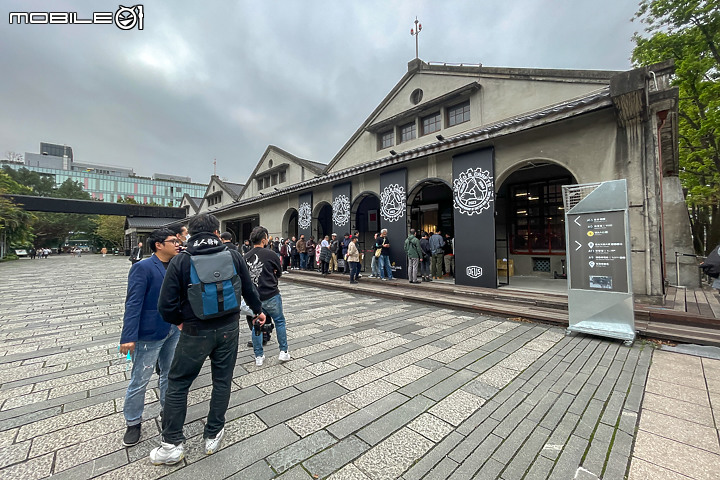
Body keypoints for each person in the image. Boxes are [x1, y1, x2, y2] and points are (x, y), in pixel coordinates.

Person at [151, 213, 265, 464]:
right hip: (228, 329)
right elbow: (249, 289)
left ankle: (171, 444)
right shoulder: (233, 254)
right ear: (216, 233)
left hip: (194, 331)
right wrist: (258, 312)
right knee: (222, 381)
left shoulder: (181, 260)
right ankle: (213, 433)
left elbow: (165, 305)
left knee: (178, 383)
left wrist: (180, 321)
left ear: (191, 234)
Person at [119, 229, 181, 447]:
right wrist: (128, 336)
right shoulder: (142, 268)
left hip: (173, 328)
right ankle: (133, 421)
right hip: (148, 333)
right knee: (140, 379)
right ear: (158, 245)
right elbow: (133, 302)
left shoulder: (177, 264)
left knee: (169, 373)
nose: (178, 244)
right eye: (173, 241)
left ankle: (167, 411)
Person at [244, 226, 291, 367]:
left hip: (254, 298)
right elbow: (279, 272)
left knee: (256, 324)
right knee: (279, 321)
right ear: (264, 238)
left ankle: (259, 356)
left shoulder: (245, 257)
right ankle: (283, 351)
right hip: (271, 294)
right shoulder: (271, 254)